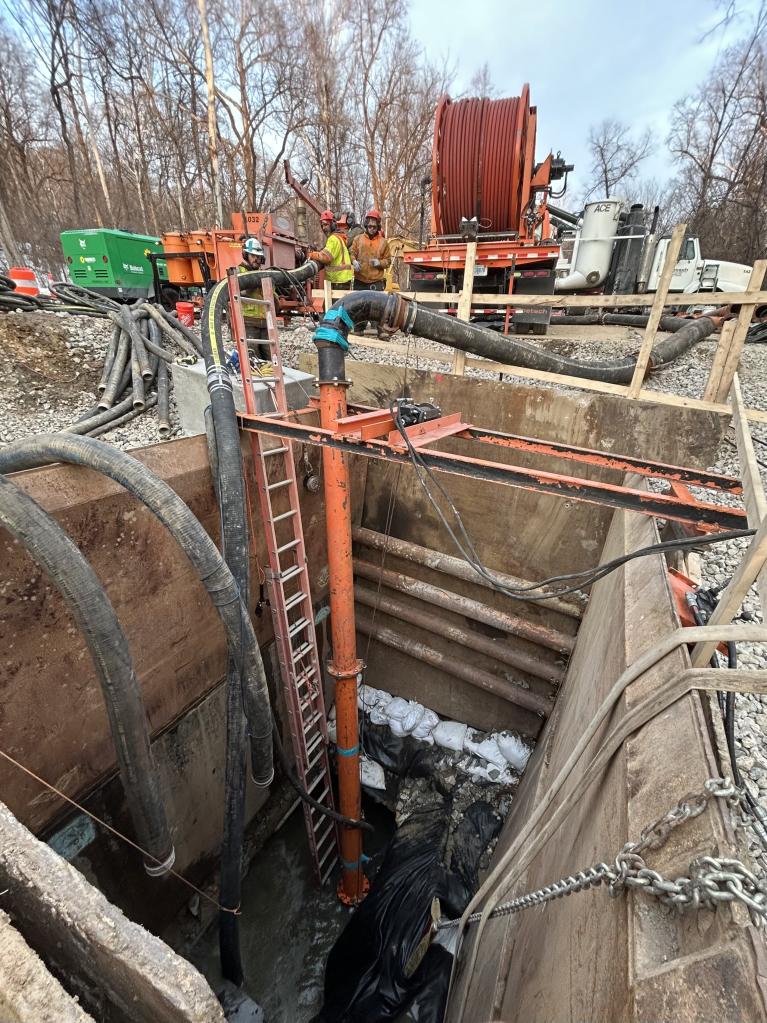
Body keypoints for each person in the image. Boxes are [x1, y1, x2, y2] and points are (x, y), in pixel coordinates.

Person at [238, 237, 270, 363]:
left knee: (270, 356)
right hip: (248, 322)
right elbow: (238, 293)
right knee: (253, 357)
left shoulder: (264, 274)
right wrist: (252, 283)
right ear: (246, 255)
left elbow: (272, 296)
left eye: (259, 256)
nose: (257, 259)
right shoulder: (238, 272)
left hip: (265, 322)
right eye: (253, 255)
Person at [309, 210, 354, 290]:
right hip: (342, 279)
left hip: (339, 280)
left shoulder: (333, 239)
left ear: (333, 224)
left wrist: (311, 254)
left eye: (326, 225)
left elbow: (326, 257)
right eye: (322, 225)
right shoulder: (339, 237)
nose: (324, 228)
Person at [350, 209, 391, 293]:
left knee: (376, 306)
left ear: (378, 227)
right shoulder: (358, 239)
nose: (372, 229)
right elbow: (352, 253)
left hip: (376, 282)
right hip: (359, 281)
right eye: (370, 226)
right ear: (366, 225)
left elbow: (388, 261)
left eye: (374, 227)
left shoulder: (383, 242)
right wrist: (354, 261)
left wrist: (379, 263)